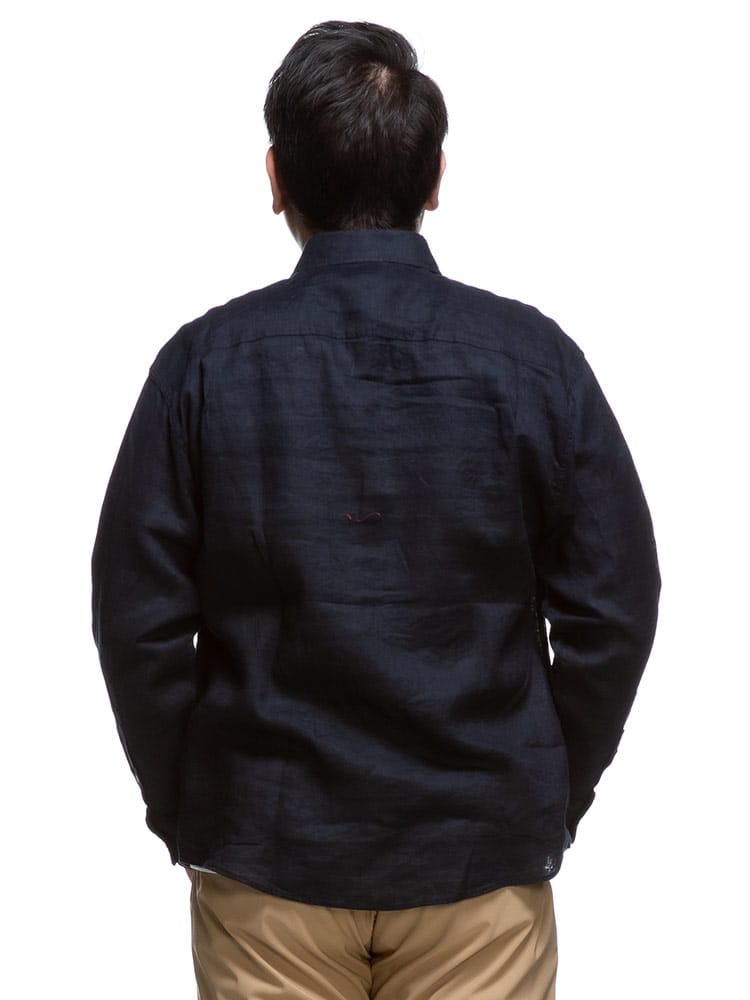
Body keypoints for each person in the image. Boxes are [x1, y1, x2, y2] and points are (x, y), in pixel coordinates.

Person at [92, 20, 660, 1000]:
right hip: (481, 862)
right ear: (434, 177)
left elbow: (136, 618)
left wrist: (193, 805)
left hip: (266, 862)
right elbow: (615, 605)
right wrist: (543, 793)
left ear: (276, 177)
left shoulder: (203, 366)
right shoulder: (534, 362)